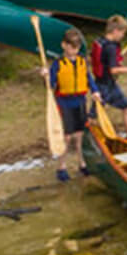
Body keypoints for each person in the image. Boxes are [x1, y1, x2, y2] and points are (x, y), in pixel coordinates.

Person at [44, 28, 91, 181]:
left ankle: (82, 163)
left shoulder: (82, 61)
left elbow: (88, 79)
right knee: (67, 137)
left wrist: (95, 91)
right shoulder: (58, 64)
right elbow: (50, 85)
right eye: (71, 47)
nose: (73, 51)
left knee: (79, 135)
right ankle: (61, 167)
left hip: (80, 101)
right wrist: (45, 76)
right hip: (64, 103)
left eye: (76, 48)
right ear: (64, 45)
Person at [91, 14, 127, 141]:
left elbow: (103, 61)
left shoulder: (101, 41)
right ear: (115, 31)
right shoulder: (110, 47)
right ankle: (86, 139)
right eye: (122, 33)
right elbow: (114, 70)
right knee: (93, 117)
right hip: (103, 87)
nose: (122, 36)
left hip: (109, 84)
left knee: (126, 106)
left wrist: (117, 60)